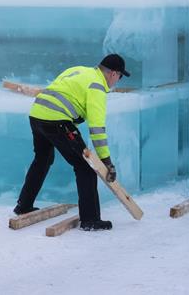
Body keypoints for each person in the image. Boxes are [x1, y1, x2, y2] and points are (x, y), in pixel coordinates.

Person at [13, 54, 129, 231]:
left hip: (37, 114)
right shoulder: (97, 86)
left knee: (42, 159)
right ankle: (90, 220)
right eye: (120, 77)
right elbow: (97, 128)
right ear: (113, 73)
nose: (117, 81)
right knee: (86, 166)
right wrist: (106, 161)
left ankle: (24, 205)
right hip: (57, 120)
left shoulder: (79, 70)